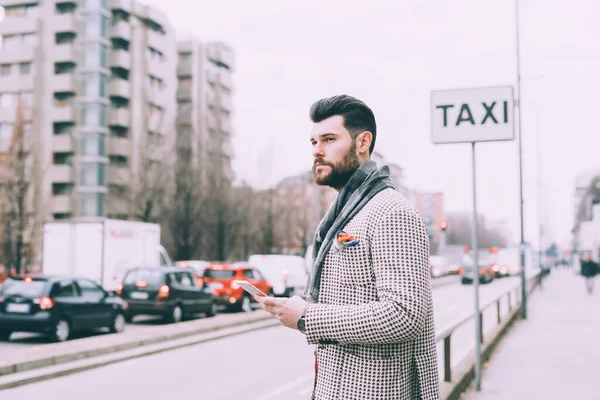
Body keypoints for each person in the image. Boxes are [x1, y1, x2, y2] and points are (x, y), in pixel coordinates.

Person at [255, 95, 440, 399]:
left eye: (328, 139)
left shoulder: (391, 212)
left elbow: (405, 314)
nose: (317, 151)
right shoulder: (345, 214)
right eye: (313, 142)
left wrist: (307, 317)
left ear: (362, 142)